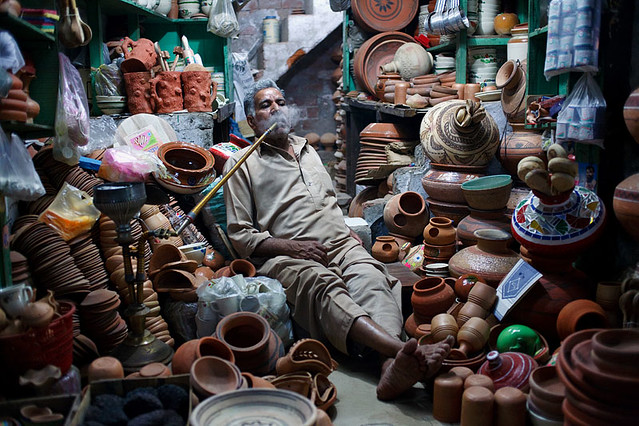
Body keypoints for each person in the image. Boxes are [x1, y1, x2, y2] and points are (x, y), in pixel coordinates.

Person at [223, 79, 452, 400]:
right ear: (252, 119)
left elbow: (323, 203)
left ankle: (390, 366)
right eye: (266, 105)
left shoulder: (309, 152)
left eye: (280, 102)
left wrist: (345, 232)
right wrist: (296, 247)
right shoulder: (243, 163)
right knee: (323, 285)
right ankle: (404, 349)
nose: (276, 108)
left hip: (341, 246)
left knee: (374, 278)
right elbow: (241, 236)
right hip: (288, 257)